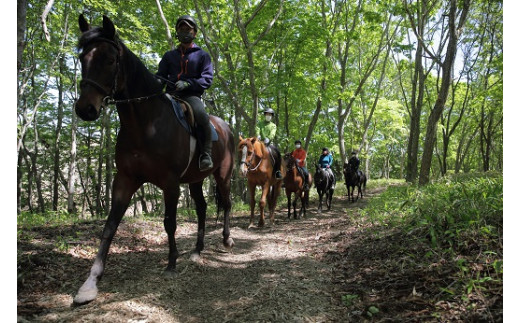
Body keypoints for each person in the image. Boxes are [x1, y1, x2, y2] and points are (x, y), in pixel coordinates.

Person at [156, 15, 214, 171]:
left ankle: (205, 154)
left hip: (191, 96)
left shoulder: (203, 55)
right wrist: (155, 83)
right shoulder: (169, 56)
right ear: (177, 33)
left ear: (194, 33)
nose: (184, 32)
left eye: (188, 29)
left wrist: (189, 83)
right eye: (181, 29)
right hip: (170, 95)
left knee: (201, 115)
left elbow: (207, 79)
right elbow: (160, 76)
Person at [256, 108, 282, 179]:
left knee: (277, 154)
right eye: (267, 114)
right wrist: (258, 135)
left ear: (272, 116)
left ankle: (277, 171)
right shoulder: (259, 123)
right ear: (265, 115)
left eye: (270, 115)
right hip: (260, 143)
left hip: (269, 144)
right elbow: (257, 129)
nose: (268, 116)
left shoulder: (273, 125)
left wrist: (268, 138)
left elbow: (273, 134)